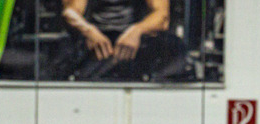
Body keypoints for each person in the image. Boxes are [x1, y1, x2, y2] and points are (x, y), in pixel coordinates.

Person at [57, 0, 189, 82]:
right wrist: (88, 30)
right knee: (60, 52)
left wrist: (137, 30)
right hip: (97, 41)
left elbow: (162, 16)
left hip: (136, 42)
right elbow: (69, 12)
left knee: (175, 48)